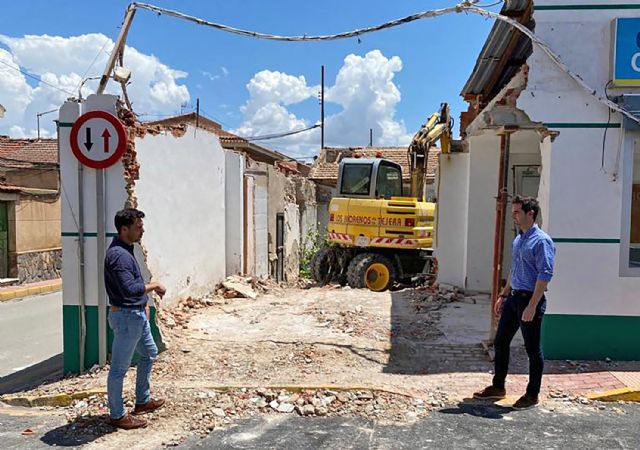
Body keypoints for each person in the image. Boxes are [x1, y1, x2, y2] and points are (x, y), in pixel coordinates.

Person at [473, 196, 555, 410]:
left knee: (532, 350)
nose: (514, 217)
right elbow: (515, 270)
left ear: (531, 213)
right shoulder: (518, 239)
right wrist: (503, 294)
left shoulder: (542, 241)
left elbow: (545, 274)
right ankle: (498, 386)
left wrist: (532, 306)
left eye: (517, 212)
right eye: (513, 213)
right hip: (513, 298)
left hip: (530, 299)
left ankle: (532, 394)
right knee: (501, 342)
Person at [105, 208, 167, 429]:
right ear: (124, 229)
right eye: (138, 227)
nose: (142, 230)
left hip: (136, 315)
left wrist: (144, 306)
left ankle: (142, 401)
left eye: (141, 226)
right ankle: (117, 415)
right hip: (127, 317)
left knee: (150, 353)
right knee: (119, 369)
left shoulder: (125, 249)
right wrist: (155, 286)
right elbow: (130, 289)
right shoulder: (119, 256)